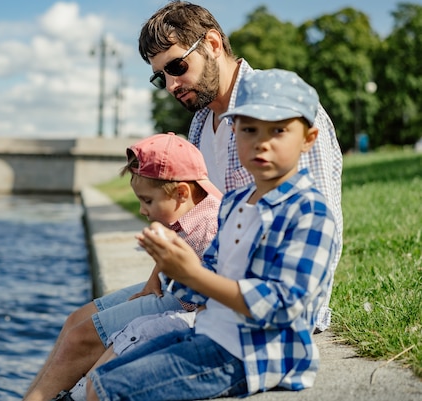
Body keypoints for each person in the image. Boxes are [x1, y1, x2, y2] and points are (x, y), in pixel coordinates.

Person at [24, 0, 343, 401]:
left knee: (87, 348)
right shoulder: (200, 122)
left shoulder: (282, 115)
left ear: (211, 43)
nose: (172, 85)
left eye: (176, 67)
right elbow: (197, 219)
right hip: (196, 287)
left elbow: (318, 232)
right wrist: (159, 278)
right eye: (161, 77)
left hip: (241, 310)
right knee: (75, 324)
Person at [85, 68, 339, 401]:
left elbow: (281, 305)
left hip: (254, 353)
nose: (261, 142)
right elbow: (211, 272)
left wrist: (192, 274)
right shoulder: (235, 201)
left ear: (308, 139)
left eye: (278, 130)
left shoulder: (309, 212)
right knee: (102, 375)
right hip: (213, 332)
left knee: (108, 389)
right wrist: (176, 266)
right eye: (248, 129)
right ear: (234, 133)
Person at [22, 133, 222, 401]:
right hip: (174, 289)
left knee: (82, 339)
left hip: (189, 302)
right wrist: (155, 277)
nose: (141, 210)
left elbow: (213, 290)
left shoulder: (210, 226)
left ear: (181, 192)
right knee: (74, 321)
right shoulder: (190, 209)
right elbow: (175, 240)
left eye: (147, 201)